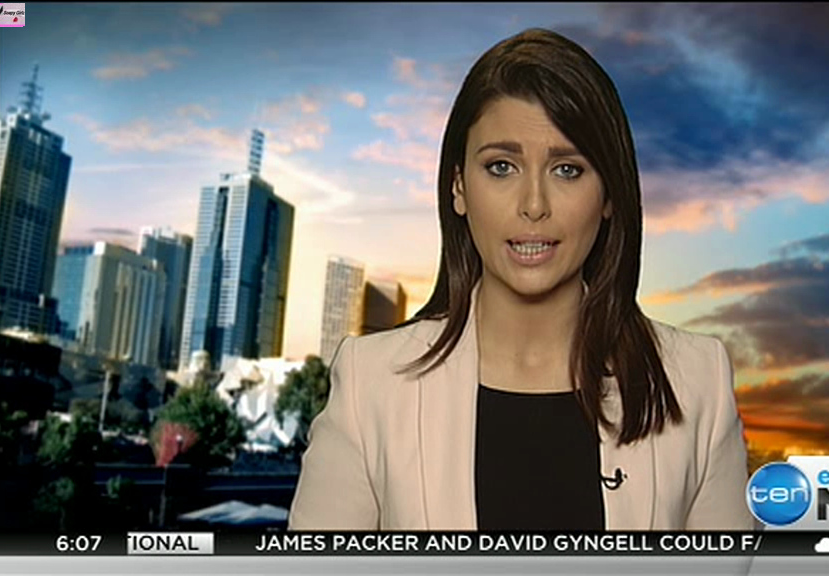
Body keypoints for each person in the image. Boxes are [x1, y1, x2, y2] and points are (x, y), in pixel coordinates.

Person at [289, 28, 755, 531]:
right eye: (501, 167)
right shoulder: (371, 384)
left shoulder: (697, 381)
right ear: (458, 186)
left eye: (567, 170)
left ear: (609, 195)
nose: (534, 205)